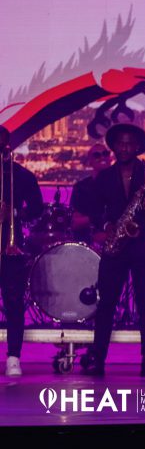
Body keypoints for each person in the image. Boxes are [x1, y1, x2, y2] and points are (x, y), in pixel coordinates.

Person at [81, 123, 145, 377]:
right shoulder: (104, 178)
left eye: (129, 144)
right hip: (115, 248)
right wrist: (106, 226)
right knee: (106, 304)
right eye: (120, 143)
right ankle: (98, 359)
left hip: (144, 249)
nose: (124, 148)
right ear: (114, 146)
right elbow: (94, 212)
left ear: (137, 147)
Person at [0, 126, 44, 377]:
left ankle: (13, 357)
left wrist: (14, 212)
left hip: (10, 247)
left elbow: (37, 208)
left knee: (14, 303)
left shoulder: (21, 175)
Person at [71, 143, 112, 245]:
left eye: (105, 153)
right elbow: (75, 222)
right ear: (90, 161)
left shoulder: (120, 185)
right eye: (97, 155)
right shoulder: (81, 188)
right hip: (89, 243)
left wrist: (89, 219)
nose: (102, 157)